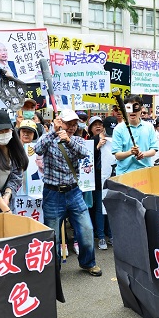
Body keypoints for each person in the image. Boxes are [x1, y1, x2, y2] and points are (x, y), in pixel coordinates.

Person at [33, 109, 102, 277]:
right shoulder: (49, 138)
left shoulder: (77, 140)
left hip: (74, 192)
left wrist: (68, 141)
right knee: (53, 236)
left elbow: (84, 153)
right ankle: (54, 269)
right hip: (52, 194)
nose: (72, 127)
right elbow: (37, 149)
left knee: (86, 229)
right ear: (60, 123)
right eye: (68, 123)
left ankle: (88, 263)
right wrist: (53, 132)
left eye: (74, 124)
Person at [112, 95, 158, 175]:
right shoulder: (118, 129)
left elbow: (153, 150)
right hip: (125, 174)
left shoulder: (149, 127)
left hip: (145, 172)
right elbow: (117, 155)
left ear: (141, 109)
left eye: (135, 107)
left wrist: (143, 154)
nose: (132, 111)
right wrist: (130, 152)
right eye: (129, 107)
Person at [87, 116, 113, 250]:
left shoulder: (112, 139)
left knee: (111, 206)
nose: (98, 126)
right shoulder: (91, 141)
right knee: (99, 207)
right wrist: (97, 147)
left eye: (100, 124)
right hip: (98, 180)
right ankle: (101, 236)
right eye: (94, 125)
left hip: (111, 178)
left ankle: (111, 234)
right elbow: (87, 160)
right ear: (90, 128)